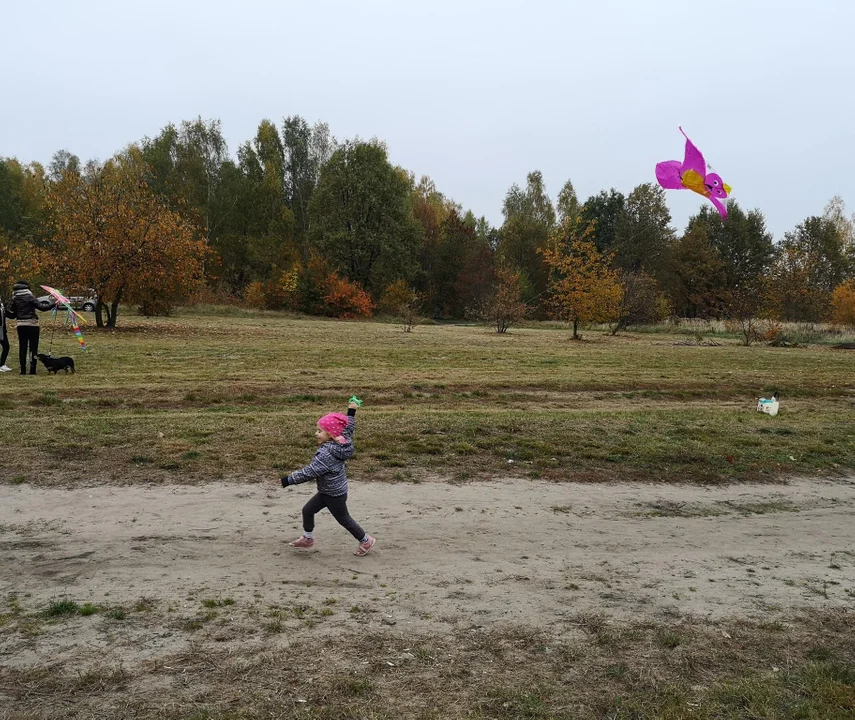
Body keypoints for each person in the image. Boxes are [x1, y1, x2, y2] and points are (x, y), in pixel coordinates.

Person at [279, 400, 376, 557]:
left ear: (330, 434)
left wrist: (288, 480)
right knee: (308, 510)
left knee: (344, 519)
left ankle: (365, 540)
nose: (316, 434)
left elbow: (310, 472)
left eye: (320, 431)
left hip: (334, 495)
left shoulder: (327, 455)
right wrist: (351, 411)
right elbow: (348, 427)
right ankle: (308, 538)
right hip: (328, 490)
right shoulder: (341, 440)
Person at [6, 281, 55, 375]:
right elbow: (42, 307)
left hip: (21, 325)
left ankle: (23, 370)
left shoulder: (14, 298)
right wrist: (54, 303)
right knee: (33, 348)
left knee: (22, 347)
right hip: (33, 325)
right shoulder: (30, 297)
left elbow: (12, 315)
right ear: (27, 288)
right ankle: (32, 369)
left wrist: (5, 312)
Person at [0, 298, 11, 372]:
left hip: (2, 330)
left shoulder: (2, 307)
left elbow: (9, 315)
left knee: (6, 347)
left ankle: (2, 364)